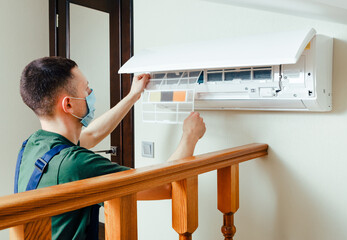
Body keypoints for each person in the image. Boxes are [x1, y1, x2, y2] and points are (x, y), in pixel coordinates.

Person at [16, 56, 206, 240]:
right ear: (69, 104)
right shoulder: (77, 164)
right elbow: (165, 186)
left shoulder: (34, 145)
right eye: (86, 89)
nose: (90, 93)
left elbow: (91, 135)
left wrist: (133, 96)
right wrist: (190, 136)